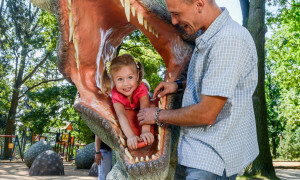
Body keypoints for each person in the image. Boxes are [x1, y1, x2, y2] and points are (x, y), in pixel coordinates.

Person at [137, 0, 259, 179]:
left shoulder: (228, 40)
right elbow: (210, 82)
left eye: (177, 14)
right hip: (193, 153)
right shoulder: (208, 35)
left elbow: (206, 113)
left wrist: (156, 115)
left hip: (211, 159)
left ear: (199, 4)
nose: (174, 21)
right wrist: (177, 86)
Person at [101, 54, 154, 150]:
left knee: (153, 103)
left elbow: (145, 110)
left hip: (142, 102)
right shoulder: (116, 93)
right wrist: (130, 136)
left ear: (137, 76)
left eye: (130, 77)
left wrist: (146, 131)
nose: (126, 84)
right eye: (120, 79)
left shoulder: (140, 87)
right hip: (128, 107)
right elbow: (122, 115)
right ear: (113, 80)